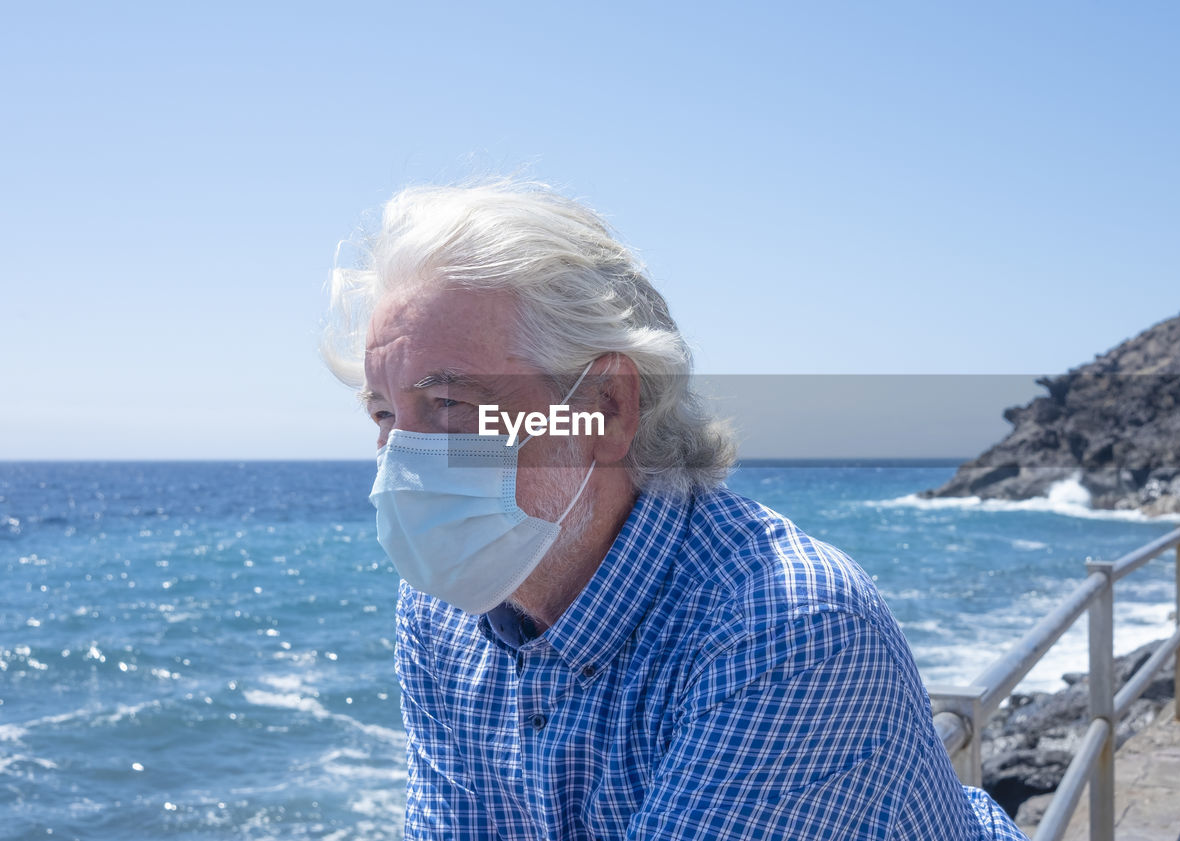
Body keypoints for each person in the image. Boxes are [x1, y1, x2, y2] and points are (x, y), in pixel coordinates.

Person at [322, 180, 1030, 840]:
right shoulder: (443, 617)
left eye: (450, 404)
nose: (405, 456)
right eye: (385, 413)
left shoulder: (786, 631)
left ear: (606, 407)